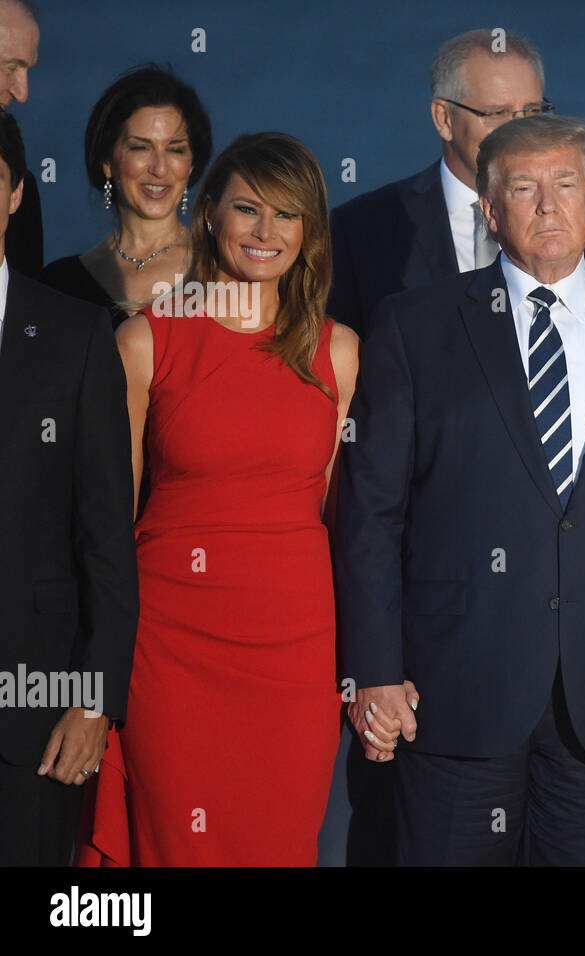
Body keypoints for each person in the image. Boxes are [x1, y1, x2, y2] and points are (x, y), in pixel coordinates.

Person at [333, 114, 585, 866]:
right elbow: (371, 513)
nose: (548, 205)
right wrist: (372, 671)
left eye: (566, 185)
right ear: (490, 211)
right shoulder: (414, 327)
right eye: (524, 189)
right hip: (451, 692)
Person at [77, 132, 358, 865]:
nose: (267, 233)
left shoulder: (338, 353)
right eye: (248, 210)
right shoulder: (144, 342)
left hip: (297, 656)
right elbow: (107, 521)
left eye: (288, 216)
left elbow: (339, 519)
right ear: (209, 216)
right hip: (172, 651)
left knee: (279, 842)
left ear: (310, 232)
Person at [0, 110, 137, 866]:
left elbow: (106, 536)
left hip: (30, 714)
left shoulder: (76, 335)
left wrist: (94, 699)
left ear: (16, 193)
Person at [328, 27, 585, 338]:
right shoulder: (362, 230)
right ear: (444, 118)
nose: (521, 131)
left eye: (532, 111)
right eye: (497, 113)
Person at [39, 64, 212, 329]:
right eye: (140, 147)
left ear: (192, 165)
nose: (160, 168)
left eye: (176, 150)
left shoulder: (221, 271)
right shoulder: (60, 285)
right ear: (107, 161)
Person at [0, 0, 41, 276]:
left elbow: (26, 311)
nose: (22, 93)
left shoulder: (18, 194)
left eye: (27, 69)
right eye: (9, 67)